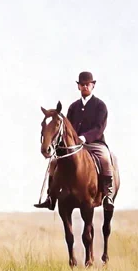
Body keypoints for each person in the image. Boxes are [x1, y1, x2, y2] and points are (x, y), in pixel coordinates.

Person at [34, 71, 115, 209]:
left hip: (95, 143)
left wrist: (84, 137)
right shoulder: (73, 107)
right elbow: (67, 128)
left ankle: (107, 195)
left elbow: (99, 128)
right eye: (82, 84)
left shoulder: (100, 106)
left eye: (87, 84)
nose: (85, 87)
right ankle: (51, 197)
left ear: (93, 85)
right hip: (75, 147)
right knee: (54, 162)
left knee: (106, 159)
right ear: (78, 86)